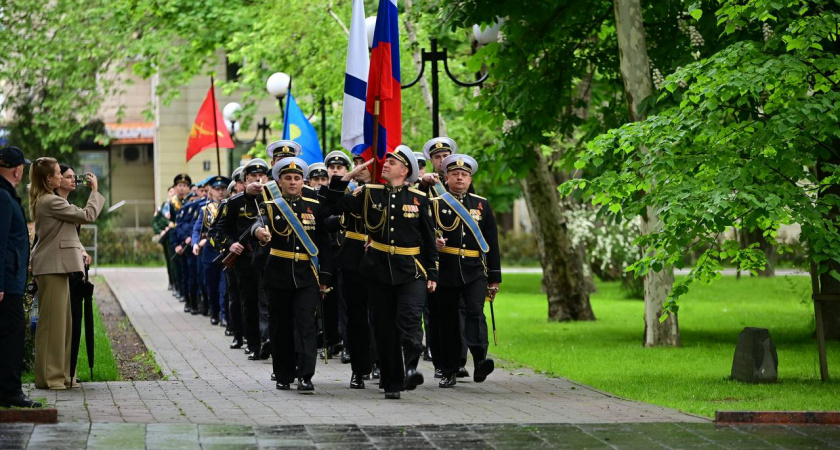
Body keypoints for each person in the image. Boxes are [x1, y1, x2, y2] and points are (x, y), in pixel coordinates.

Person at [325, 145, 438, 400]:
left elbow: (429, 239)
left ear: (405, 170)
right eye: (385, 161)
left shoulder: (419, 198)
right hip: (377, 270)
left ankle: (411, 366)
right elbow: (334, 205)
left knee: (410, 321)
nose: (384, 165)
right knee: (384, 327)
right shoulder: (369, 193)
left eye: (392, 162)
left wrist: (433, 272)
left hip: (411, 270)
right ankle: (392, 382)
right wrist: (346, 177)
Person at [253, 158, 333, 392]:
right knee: (281, 327)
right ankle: (284, 374)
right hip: (278, 273)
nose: (293, 182)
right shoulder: (270, 204)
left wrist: (325, 276)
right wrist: (258, 231)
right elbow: (259, 221)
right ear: (279, 181)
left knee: (306, 324)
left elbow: (324, 244)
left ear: (303, 181)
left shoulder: (313, 205)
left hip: (307, 275)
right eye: (288, 178)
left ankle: (306, 375)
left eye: (297, 178)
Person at [29, 157, 104, 390]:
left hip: (58, 266)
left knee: (63, 325)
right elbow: (87, 215)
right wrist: (95, 191)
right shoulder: (50, 201)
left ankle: (61, 374)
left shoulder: (48, 199)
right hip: (51, 267)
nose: (62, 177)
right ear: (48, 178)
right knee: (52, 326)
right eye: (58, 174)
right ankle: (49, 378)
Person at [430, 154, 502, 387]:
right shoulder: (436, 203)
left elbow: (491, 242)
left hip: (474, 269)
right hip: (447, 270)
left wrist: (494, 278)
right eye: (455, 174)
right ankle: (449, 368)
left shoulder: (481, 204)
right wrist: (434, 242)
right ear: (447, 177)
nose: (459, 178)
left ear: (470, 179)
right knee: (448, 320)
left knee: (475, 312)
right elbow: (424, 233)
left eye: (464, 175)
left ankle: (480, 359)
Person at [215, 158, 270, 360]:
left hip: (268, 259)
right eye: (253, 177)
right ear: (245, 180)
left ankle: (268, 339)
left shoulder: (272, 199)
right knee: (249, 303)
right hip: (244, 260)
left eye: (261, 176)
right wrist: (231, 244)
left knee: (267, 302)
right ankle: (254, 344)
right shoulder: (234, 202)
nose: (257, 180)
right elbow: (221, 228)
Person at [0, 146, 40, 408]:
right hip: (7, 283)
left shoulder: (5, 193)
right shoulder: (3, 196)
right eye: (23, 168)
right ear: (17, 169)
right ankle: (11, 391)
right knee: (12, 334)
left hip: (10, 280)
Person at [54, 164, 93, 388]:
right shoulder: (55, 203)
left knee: (75, 321)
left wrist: (82, 250)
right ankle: (62, 373)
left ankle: (70, 373)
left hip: (75, 269)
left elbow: (72, 238)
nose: (72, 180)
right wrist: (94, 191)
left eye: (72, 177)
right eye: (66, 176)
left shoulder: (69, 205)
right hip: (61, 269)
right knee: (65, 323)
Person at [192, 176, 230, 326]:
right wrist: (195, 243)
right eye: (216, 189)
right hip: (210, 252)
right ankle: (214, 311)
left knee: (224, 287)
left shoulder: (231, 206)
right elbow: (197, 228)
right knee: (211, 286)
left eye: (222, 189)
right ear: (211, 191)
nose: (220, 192)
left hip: (226, 251)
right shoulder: (205, 209)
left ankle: (223, 315)